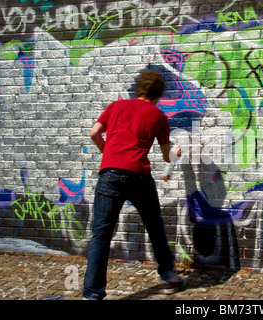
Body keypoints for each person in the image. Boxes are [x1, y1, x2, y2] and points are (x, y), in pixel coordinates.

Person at [82, 70, 186, 300]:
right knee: (154, 226)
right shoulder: (158, 116)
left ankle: (92, 295)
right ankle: (169, 276)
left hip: (109, 173)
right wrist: (175, 153)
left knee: (101, 234)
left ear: (138, 88)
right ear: (159, 93)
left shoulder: (115, 107)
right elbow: (167, 156)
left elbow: (94, 133)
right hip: (138, 175)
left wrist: (108, 154)